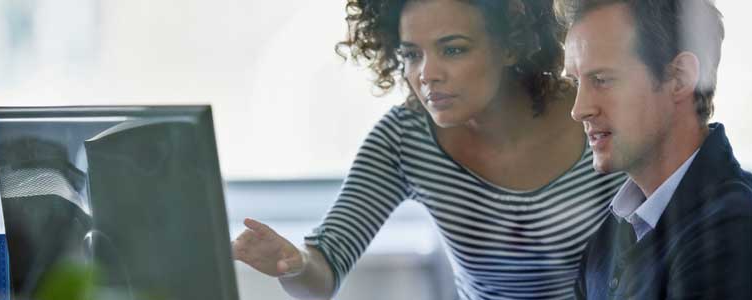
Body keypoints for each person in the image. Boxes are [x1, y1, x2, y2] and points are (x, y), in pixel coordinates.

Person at [231, 0, 628, 299]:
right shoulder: (404, 137)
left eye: (452, 49)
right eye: (411, 55)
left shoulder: (595, 113)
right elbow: (324, 269)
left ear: (510, 45)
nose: (427, 75)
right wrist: (293, 264)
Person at [560, 0, 752, 299]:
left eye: (602, 80)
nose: (578, 109)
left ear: (680, 78)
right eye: (576, 82)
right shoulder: (613, 234)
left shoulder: (734, 231)